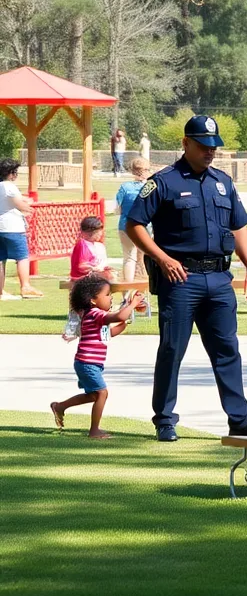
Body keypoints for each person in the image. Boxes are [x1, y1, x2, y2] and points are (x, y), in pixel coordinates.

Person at [124, 114, 247, 443]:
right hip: (181, 279)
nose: (210, 152)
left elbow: (238, 227)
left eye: (214, 147)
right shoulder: (164, 181)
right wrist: (161, 258)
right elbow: (134, 225)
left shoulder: (223, 181)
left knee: (227, 350)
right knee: (172, 349)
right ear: (185, 143)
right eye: (203, 146)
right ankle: (164, 419)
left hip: (219, 278)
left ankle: (239, 418)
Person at [49, 275, 145, 439]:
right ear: (93, 300)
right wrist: (132, 304)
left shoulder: (94, 316)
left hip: (89, 363)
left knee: (93, 395)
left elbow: (109, 334)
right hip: (87, 363)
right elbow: (119, 316)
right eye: (107, 295)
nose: (110, 298)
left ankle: (60, 406)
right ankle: (94, 430)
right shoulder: (95, 314)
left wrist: (125, 320)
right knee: (102, 393)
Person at [0, 157, 42, 299]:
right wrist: (29, 209)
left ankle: (0, 291)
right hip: (13, 227)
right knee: (22, 257)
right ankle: (26, 287)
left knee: (1, 259)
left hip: (1, 227)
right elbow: (19, 204)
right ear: (11, 173)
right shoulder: (9, 186)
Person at [115, 157, 153, 283]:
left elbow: (117, 209)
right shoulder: (150, 187)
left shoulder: (125, 187)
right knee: (147, 255)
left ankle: (128, 287)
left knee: (129, 258)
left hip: (125, 225)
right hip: (145, 226)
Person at [69, 216, 115, 281]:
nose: (101, 234)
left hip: (93, 274)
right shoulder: (82, 245)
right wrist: (93, 268)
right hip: (81, 277)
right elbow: (81, 266)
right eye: (99, 232)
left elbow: (101, 264)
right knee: (108, 277)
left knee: (111, 274)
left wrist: (105, 268)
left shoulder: (99, 246)